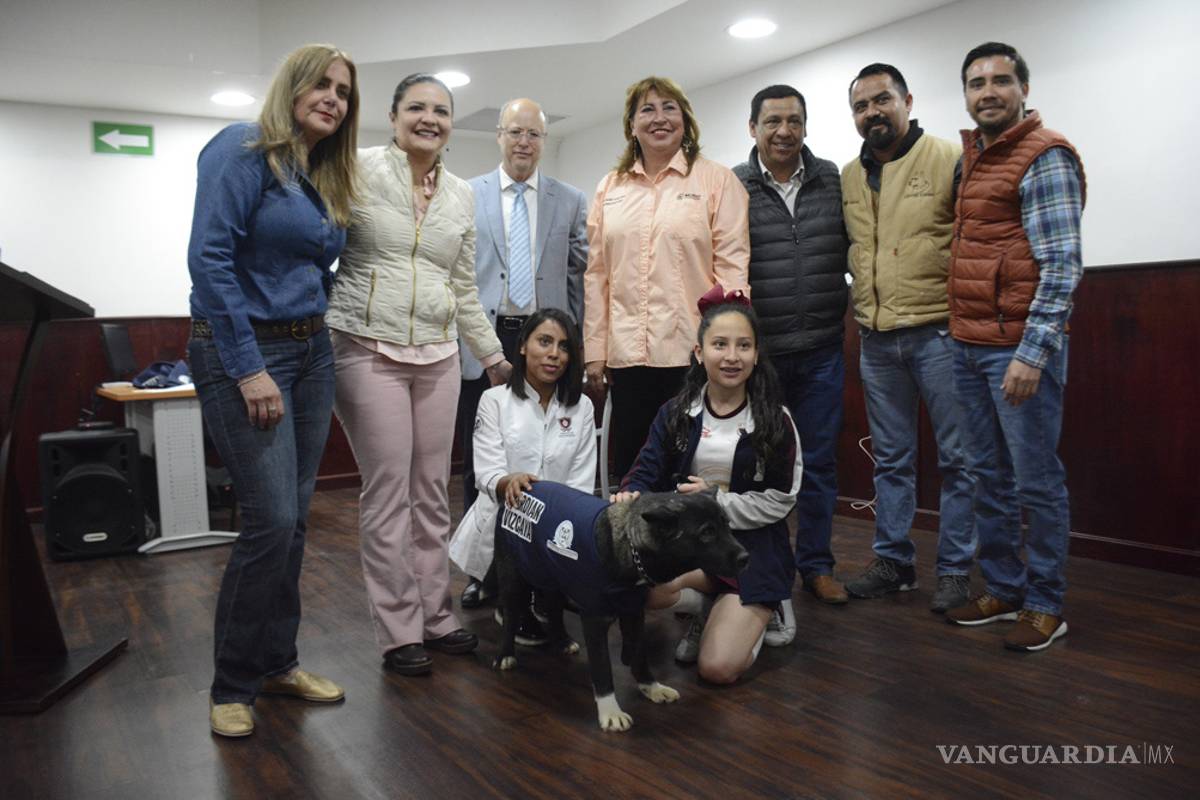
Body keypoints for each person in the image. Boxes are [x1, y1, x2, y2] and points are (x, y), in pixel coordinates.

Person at [186, 43, 359, 738]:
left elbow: (324, 264)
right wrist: (249, 366)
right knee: (267, 521)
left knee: (293, 522)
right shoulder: (242, 147)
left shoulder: (320, 172)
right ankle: (232, 684)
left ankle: (279, 663)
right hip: (246, 352)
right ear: (290, 87)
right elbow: (209, 258)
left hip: (311, 349)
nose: (332, 98)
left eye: (344, 92)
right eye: (320, 84)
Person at [325, 73, 509, 676]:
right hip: (365, 345)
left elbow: (462, 287)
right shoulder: (355, 168)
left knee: (433, 491)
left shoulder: (461, 194)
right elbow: (316, 247)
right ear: (394, 115)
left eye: (441, 110)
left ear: (452, 124)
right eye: (417, 108)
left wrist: (494, 358)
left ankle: (437, 614)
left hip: (437, 353)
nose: (429, 118)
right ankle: (399, 628)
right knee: (387, 494)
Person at [945, 43, 1085, 652]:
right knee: (986, 477)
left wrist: (1032, 354)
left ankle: (1046, 603)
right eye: (977, 83)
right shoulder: (975, 156)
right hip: (969, 345)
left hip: (1017, 351)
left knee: (1035, 482)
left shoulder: (1044, 154)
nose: (989, 92)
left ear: (1023, 88)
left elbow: (1061, 266)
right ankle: (1003, 588)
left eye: (1001, 80)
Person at [840, 63, 976, 613]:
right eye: (860, 106)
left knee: (959, 460)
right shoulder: (849, 175)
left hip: (940, 334)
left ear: (907, 100)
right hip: (876, 340)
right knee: (891, 461)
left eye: (882, 100)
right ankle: (894, 563)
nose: (872, 112)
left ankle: (955, 570)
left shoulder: (948, 158)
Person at [614, 285, 802, 684]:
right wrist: (631, 492)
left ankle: (772, 604)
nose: (732, 357)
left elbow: (781, 500)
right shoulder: (678, 412)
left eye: (743, 346)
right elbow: (646, 468)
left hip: (753, 550)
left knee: (716, 670)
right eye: (720, 344)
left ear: (756, 355)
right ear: (699, 353)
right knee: (638, 585)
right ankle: (708, 608)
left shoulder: (775, 420)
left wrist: (717, 502)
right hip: (697, 544)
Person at [583, 76, 750, 482]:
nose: (659, 118)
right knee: (631, 472)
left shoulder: (716, 180)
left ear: (685, 120)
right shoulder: (610, 187)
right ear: (631, 125)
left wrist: (725, 345)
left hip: (690, 356)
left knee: (685, 470)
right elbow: (597, 274)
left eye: (669, 108)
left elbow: (732, 269)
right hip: (626, 356)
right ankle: (630, 547)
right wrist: (594, 350)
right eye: (647, 110)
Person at [458, 98, 589, 611]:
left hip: (547, 340)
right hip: (482, 343)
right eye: (515, 132)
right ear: (498, 136)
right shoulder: (467, 195)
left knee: (550, 458)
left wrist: (579, 348)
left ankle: (549, 567)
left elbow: (577, 279)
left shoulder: (570, 199)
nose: (524, 143)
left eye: (534, 134)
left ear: (544, 140)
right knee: (481, 464)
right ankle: (484, 569)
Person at [732, 85, 850, 650]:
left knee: (820, 464)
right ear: (752, 127)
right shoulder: (733, 185)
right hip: (766, 356)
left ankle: (817, 565)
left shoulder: (832, 178)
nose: (784, 130)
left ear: (806, 126)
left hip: (825, 347)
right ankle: (761, 569)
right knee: (762, 468)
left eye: (795, 120)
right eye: (773, 120)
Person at [449, 309, 596, 638]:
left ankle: (544, 592)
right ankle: (507, 597)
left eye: (563, 346)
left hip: (557, 522)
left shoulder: (581, 406)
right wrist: (507, 481)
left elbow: (581, 481)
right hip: (505, 518)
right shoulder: (493, 400)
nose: (554, 354)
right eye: (544, 342)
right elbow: (485, 472)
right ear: (522, 347)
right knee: (518, 525)